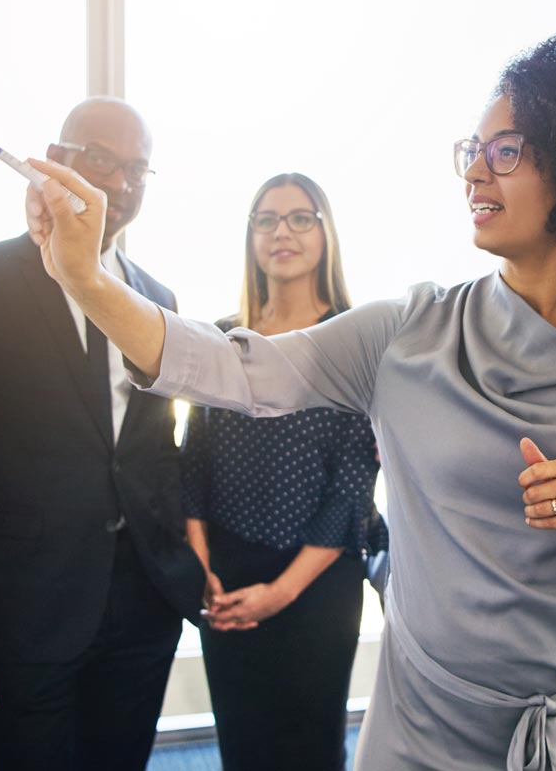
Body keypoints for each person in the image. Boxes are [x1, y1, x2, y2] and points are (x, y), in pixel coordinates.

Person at [23, 33, 556, 769]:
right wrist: (88, 281)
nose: (475, 171)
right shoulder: (406, 332)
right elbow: (226, 367)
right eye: (470, 150)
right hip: (425, 727)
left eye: (504, 151)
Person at [0, 96, 206, 770]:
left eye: (138, 170)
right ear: (58, 160)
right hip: (31, 606)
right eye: (103, 160)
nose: (121, 185)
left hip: (142, 600)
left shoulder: (160, 299)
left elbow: (154, 448)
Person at [180, 172, 384, 770]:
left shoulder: (355, 340)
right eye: (266, 219)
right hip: (227, 570)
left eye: (300, 217)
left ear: (326, 234)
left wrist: (280, 594)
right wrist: (203, 568)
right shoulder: (223, 338)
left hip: (318, 580)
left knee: (310, 746)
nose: (281, 232)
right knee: (241, 743)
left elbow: (352, 488)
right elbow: (193, 457)